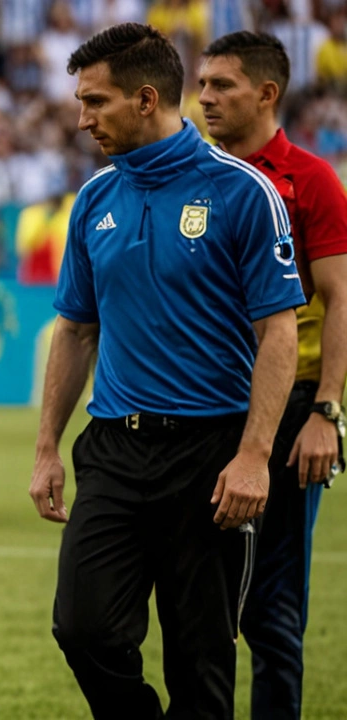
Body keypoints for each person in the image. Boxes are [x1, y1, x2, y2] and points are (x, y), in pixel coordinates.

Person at [28, 23, 304, 718]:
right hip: (115, 450)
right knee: (81, 627)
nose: (82, 117)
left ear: (146, 98)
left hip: (210, 454)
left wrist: (253, 457)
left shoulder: (243, 192)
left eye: (95, 102)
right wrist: (44, 449)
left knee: (201, 658)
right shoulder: (94, 198)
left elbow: (278, 333)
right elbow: (75, 328)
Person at [199, 31, 347, 719]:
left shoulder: (309, 179)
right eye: (200, 84)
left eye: (222, 85)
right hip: (201, 407)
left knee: (273, 608)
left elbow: (340, 297)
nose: (204, 97)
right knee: (198, 600)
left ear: (266, 93)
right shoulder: (193, 175)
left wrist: (327, 412)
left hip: (289, 412)